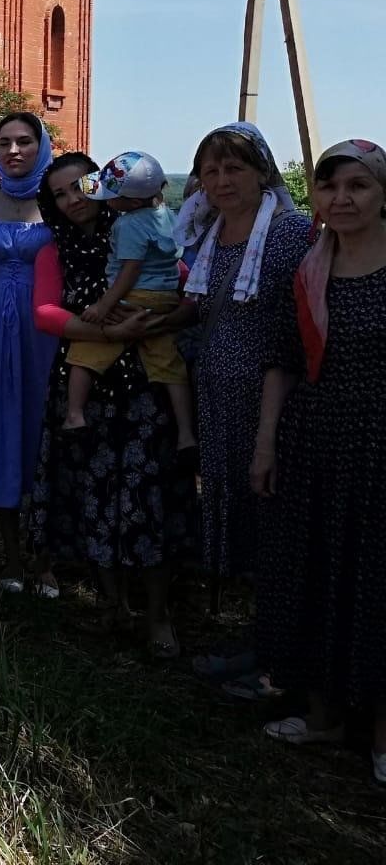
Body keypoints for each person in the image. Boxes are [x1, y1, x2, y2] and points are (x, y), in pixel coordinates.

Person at [26, 153, 197, 656]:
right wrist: (108, 329)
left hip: (146, 386)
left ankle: (159, 614)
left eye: (79, 187)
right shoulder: (53, 248)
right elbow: (45, 312)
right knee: (94, 497)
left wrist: (158, 323)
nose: (72, 200)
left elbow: (189, 290)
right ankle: (111, 605)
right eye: (59, 194)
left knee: (151, 498)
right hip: (88, 384)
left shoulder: (139, 226)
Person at [254, 138, 386, 782]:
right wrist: (266, 441)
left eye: (358, 185)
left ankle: (382, 733)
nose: (343, 198)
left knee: (376, 578)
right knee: (313, 568)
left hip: (379, 448)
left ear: (382, 193)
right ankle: (323, 713)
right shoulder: (310, 269)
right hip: (315, 441)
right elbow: (282, 360)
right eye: (331, 186)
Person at [178, 122, 309, 589]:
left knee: (270, 505)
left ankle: (271, 631)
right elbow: (198, 307)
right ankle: (240, 612)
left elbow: (293, 331)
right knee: (228, 497)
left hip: (270, 400)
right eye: (210, 171)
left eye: (234, 168)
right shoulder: (207, 232)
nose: (221, 181)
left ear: (261, 172)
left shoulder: (289, 233)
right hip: (216, 396)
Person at [0, 113, 57, 591]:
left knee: (43, 426)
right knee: (0, 423)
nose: (13, 151)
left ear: (41, 146)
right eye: (4, 142)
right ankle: (11, 558)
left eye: (24, 141)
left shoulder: (60, 198)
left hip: (46, 328)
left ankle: (46, 558)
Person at [62, 152, 196, 459]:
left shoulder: (127, 226)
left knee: (83, 352)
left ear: (132, 203)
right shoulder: (169, 216)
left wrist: (104, 306)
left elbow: (129, 271)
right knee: (170, 367)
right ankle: (187, 433)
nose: (107, 202)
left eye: (113, 197)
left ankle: (74, 414)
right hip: (164, 299)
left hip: (133, 297)